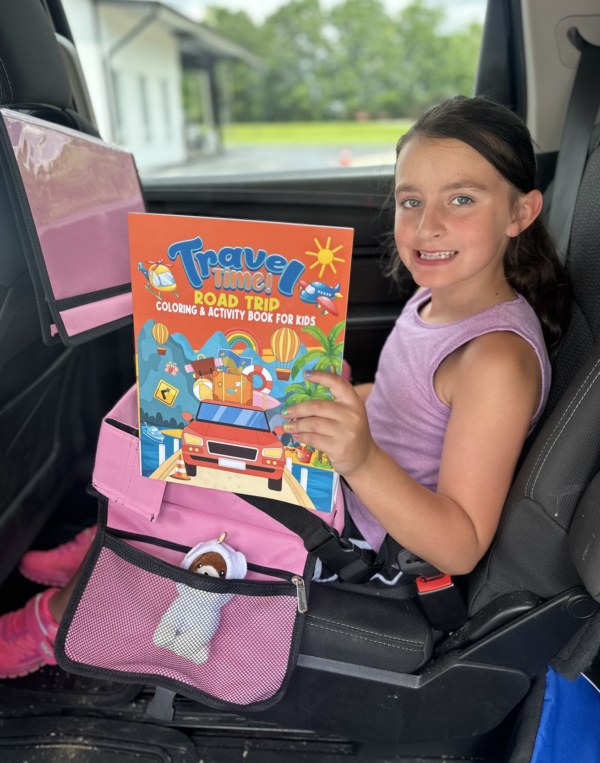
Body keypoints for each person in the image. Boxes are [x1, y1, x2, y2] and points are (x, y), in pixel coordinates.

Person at [0, 96, 570, 678]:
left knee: (187, 482)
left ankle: (56, 617)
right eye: (410, 200)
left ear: (520, 213)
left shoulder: (495, 360)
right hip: (344, 480)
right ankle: (108, 537)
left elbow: (462, 544)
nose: (427, 226)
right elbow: (407, 405)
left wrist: (362, 458)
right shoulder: (438, 300)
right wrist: (311, 398)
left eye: (462, 199)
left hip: (362, 539)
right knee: (184, 417)